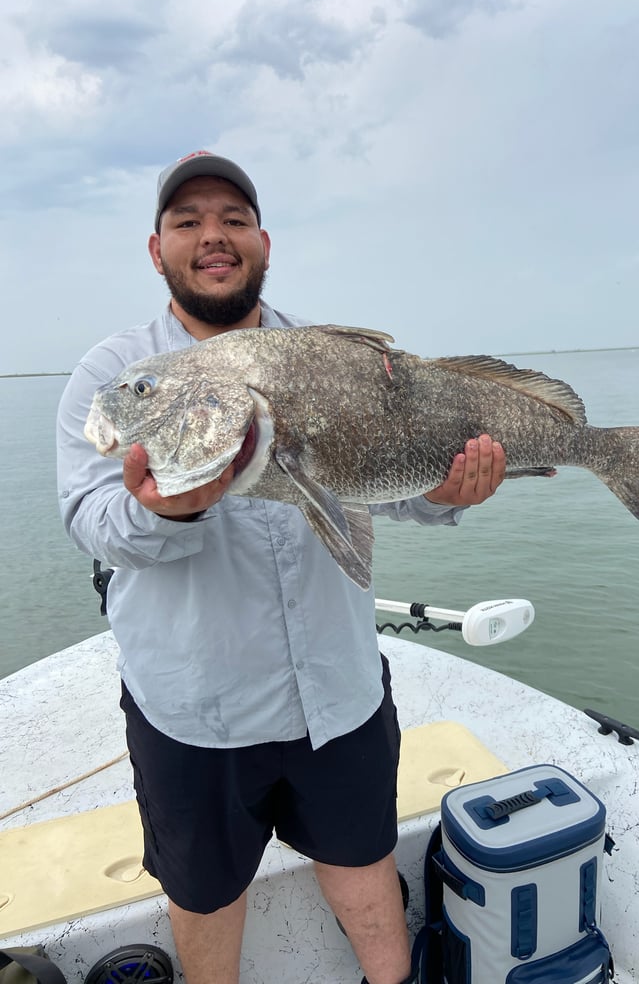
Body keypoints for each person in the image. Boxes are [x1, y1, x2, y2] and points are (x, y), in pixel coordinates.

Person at [56, 150, 506, 984]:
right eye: (187, 222)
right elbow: (91, 520)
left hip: (336, 693)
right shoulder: (119, 378)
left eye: (232, 219)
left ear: (263, 243)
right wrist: (164, 512)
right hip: (195, 713)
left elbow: (388, 489)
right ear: (157, 250)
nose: (212, 237)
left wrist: (449, 492)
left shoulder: (331, 358)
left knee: (365, 858)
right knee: (204, 894)